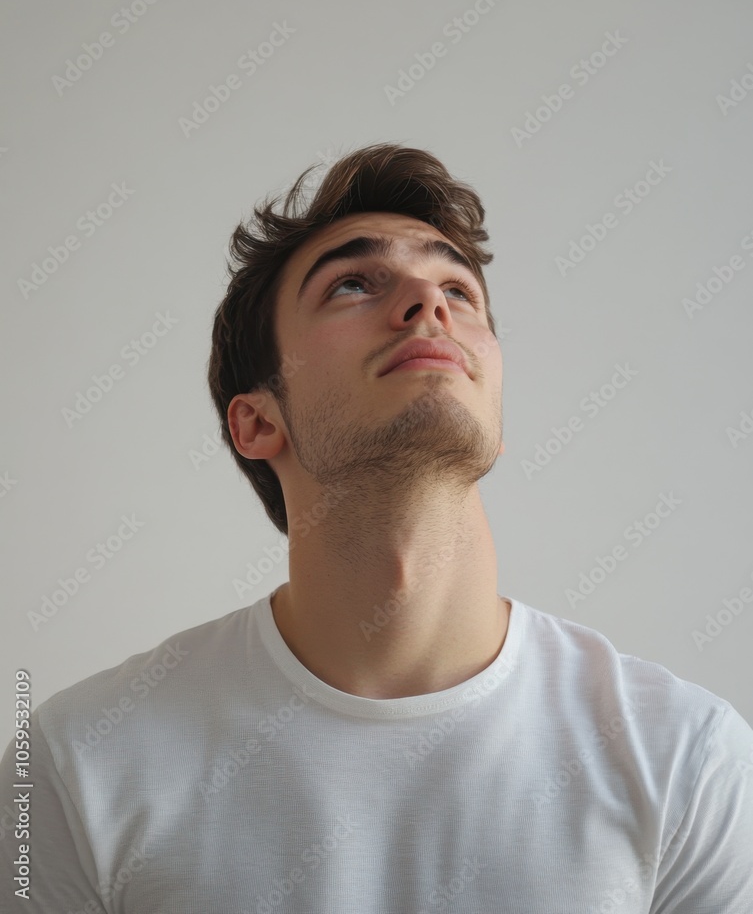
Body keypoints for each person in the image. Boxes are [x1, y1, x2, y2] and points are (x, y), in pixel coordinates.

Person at [2, 142, 752, 912]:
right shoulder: (71, 764)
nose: (428, 307)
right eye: (353, 284)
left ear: (493, 411)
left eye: (458, 290)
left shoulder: (685, 758)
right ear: (257, 421)